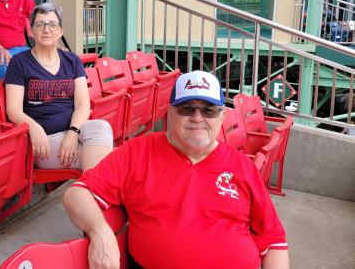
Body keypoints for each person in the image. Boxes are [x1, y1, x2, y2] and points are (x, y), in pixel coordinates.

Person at [62, 70, 289, 269]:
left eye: (209, 110)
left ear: (222, 116)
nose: (197, 118)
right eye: (187, 108)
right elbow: (77, 193)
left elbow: (274, 240)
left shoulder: (242, 165)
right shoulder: (138, 152)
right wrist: (100, 231)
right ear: (170, 113)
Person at [5, 2, 113, 171]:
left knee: (101, 127)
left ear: (60, 31)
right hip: (46, 141)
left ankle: (93, 192)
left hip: (75, 130)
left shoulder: (72, 61)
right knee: (107, 159)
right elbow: (13, 109)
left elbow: (83, 104)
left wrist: (72, 132)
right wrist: (35, 128)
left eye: (52, 24)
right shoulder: (19, 63)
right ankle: (98, 192)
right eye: (40, 24)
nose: (46, 29)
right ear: (31, 31)